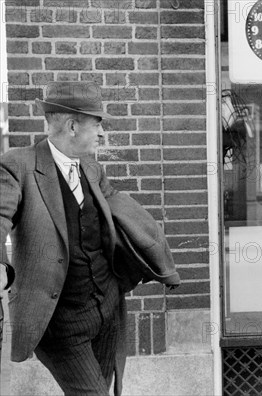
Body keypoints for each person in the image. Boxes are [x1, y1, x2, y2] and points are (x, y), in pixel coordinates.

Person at [0, 81, 179, 395]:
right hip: (61, 323)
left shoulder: (91, 169)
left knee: (100, 388)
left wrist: (156, 258)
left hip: (106, 309)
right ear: (72, 126)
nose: (100, 133)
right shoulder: (19, 165)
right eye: (97, 125)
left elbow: (120, 210)